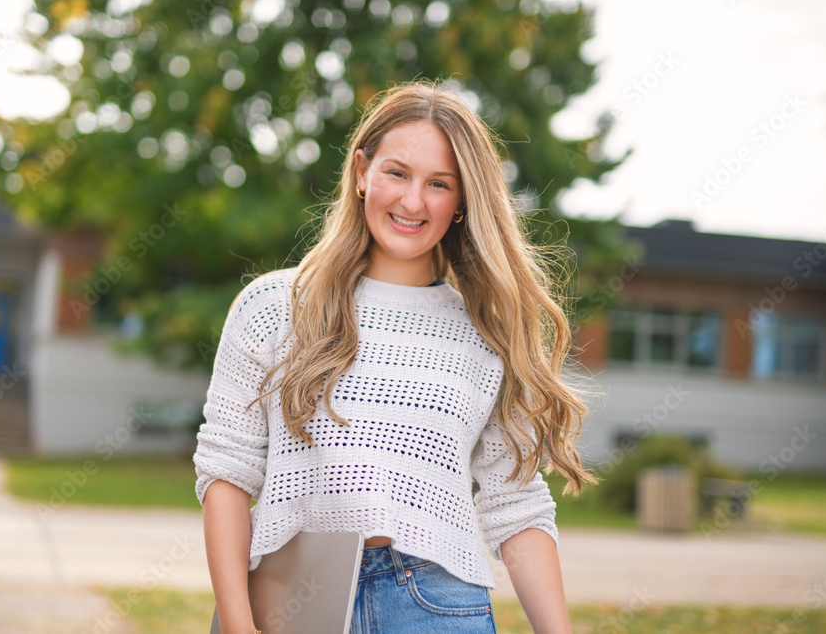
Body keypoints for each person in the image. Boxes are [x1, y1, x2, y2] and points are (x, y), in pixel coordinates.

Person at [194, 78, 599, 634]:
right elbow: (226, 475)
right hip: (291, 599)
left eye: (439, 184)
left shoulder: (485, 336)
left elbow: (517, 505)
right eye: (397, 173)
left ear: (461, 202)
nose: (413, 201)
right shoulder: (272, 307)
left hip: (434, 606)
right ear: (362, 172)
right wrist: (239, 628)